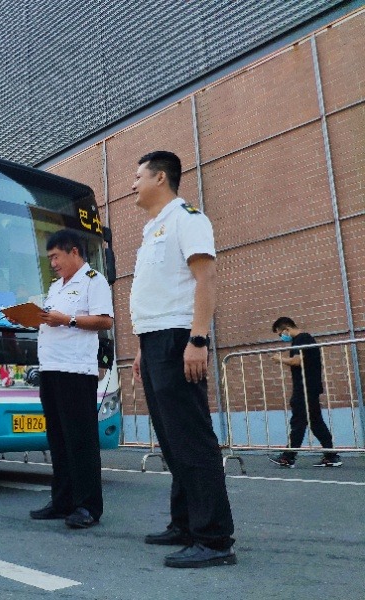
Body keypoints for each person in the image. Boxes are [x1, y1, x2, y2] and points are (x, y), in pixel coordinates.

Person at [130, 151, 236, 568]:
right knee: (172, 440)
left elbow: (205, 278)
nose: (132, 184)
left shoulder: (186, 218)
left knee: (192, 439)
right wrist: (141, 347)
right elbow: (157, 293)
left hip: (178, 340)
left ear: (160, 177)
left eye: (138, 176)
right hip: (155, 341)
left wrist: (198, 339)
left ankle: (214, 539)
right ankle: (186, 522)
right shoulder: (152, 228)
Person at [27, 229, 114, 529]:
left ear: (74, 252)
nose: (52, 263)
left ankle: (88, 506)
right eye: (50, 258)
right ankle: (62, 500)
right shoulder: (56, 288)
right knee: (59, 439)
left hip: (76, 371)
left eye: (55, 257)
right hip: (50, 369)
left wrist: (68, 320)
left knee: (81, 440)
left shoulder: (93, 281)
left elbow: (105, 320)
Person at [269, 317, 341, 468]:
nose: (281, 337)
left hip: (305, 388)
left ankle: (288, 457)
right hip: (309, 387)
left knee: (298, 421)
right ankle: (331, 455)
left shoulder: (302, 339)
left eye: (280, 334)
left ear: (286, 329)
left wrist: (279, 359)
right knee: (315, 422)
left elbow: (297, 360)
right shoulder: (303, 339)